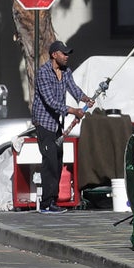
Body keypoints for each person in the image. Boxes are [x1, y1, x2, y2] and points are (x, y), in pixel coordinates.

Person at [32, 40, 94, 213]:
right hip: (44, 122)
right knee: (50, 161)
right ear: (54, 55)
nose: (67, 56)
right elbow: (50, 101)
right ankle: (46, 203)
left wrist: (86, 99)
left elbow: (73, 88)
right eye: (63, 53)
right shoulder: (43, 73)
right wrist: (74, 111)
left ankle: (53, 200)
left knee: (58, 160)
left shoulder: (66, 71)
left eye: (67, 54)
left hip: (56, 123)